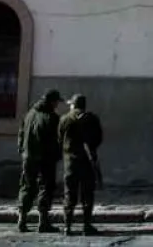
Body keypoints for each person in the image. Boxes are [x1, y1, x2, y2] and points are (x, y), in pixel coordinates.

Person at [16, 89, 62, 233]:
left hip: (28, 157)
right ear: (52, 102)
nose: (57, 105)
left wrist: (22, 151)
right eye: (56, 102)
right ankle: (43, 221)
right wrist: (57, 155)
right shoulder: (52, 118)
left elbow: (21, 134)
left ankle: (22, 219)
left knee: (26, 186)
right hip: (45, 158)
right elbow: (56, 140)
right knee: (45, 187)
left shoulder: (29, 114)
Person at [58, 94, 103, 237]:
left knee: (69, 194)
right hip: (87, 161)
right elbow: (98, 138)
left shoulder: (64, 119)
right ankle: (86, 225)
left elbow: (59, 138)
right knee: (87, 195)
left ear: (73, 105)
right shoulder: (92, 119)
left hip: (70, 161)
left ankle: (67, 226)